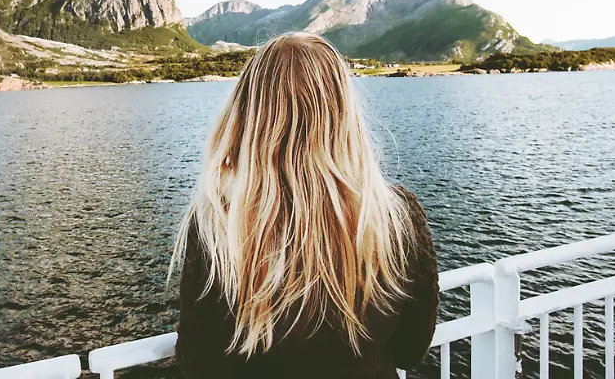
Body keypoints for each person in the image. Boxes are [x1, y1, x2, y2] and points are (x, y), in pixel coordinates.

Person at [169, 32, 439, 378]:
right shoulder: (397, 217)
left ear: (248, 115)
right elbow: (411, 350)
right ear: (343, 114)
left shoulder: (218, 226)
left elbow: (199, 364)